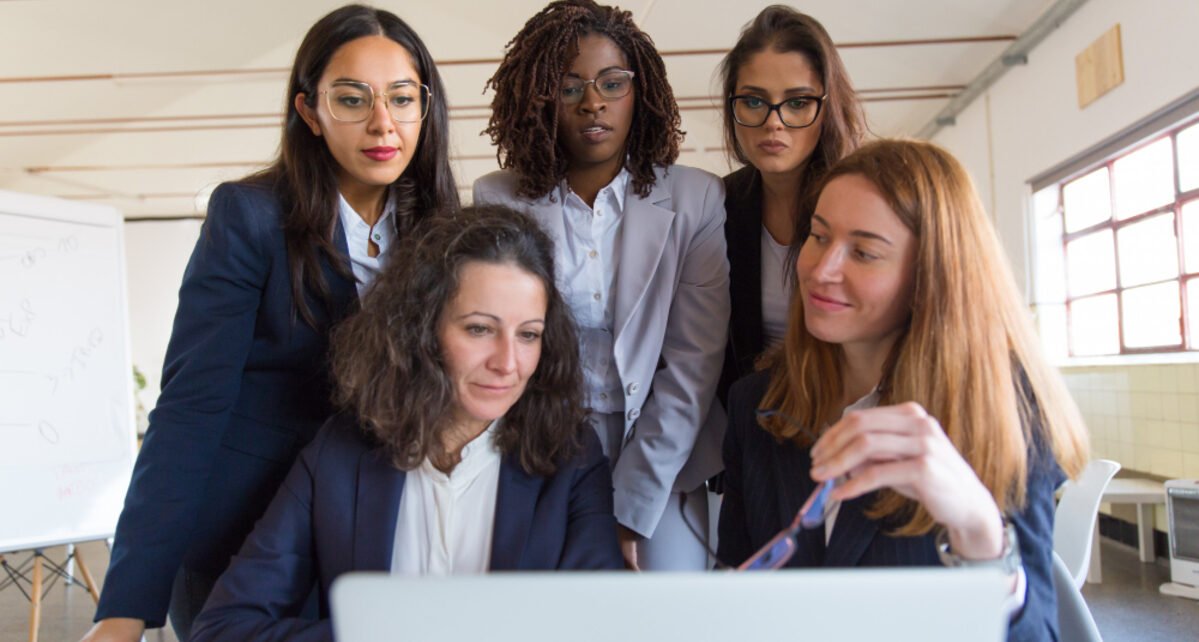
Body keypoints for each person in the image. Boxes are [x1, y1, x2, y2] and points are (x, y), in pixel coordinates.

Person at [83, 5, 457, 640]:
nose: (382, 123)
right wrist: (126, 607)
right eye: (351, 99)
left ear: (426, 105)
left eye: (401, 98)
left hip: (381, 542)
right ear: (310, 111)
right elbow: (189, 410)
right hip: (243, 540)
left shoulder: (444, 233)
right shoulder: (251, 218)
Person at [189, 205, 623, 641]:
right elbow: (222, 629)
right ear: (423, 329)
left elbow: (603, 630)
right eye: (478, 329)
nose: (508, 363)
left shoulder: (572, 456)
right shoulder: (341, 452)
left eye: (528, 334)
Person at [717, 140, 1090, 641]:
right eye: (818, 236)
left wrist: (979, 531)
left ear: (930, 277)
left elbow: (1036, 633)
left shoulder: (1003, 412)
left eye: (865, 253)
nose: (822, 270)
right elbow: (736, 601)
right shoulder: (756, 404)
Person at [474, 0, 730, 571]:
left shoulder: (696, 200)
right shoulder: (497, 199)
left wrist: (631, 505)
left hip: (666, 444)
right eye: (569, 88)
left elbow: (692, 364)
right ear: (540, 99)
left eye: (612, 83)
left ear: (639, 93)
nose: (593, 102)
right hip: (542, 441)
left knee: (670, 612)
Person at [717, 6, 866, 403]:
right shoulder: (719, 206)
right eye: (753, 101)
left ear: (827, 107)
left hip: (854, 413)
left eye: (798, 103)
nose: (774, 122)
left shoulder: (868, 202)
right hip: (756, 425)